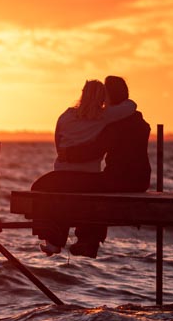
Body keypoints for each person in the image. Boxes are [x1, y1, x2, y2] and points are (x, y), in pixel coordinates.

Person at [31, 75, 151, 258]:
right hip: (137, 177)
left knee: (46, 190)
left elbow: (95, 150)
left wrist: (68, 155)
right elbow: (130, 105)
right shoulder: (124, 119)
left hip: (119, 178)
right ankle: (84, 241)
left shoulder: (107, 122)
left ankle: (67, 239)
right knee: (91, 195)